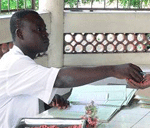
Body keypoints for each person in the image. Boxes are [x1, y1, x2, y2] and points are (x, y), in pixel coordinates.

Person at [0, 10, 144, 128]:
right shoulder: (15, 64)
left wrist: (45, 103)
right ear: (20, 34)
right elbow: (61, 79)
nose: (45, 34)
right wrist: (113, 70)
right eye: (39, 29)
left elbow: (20, 98)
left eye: (45, 29)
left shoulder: (21, 61)